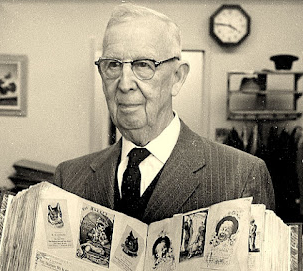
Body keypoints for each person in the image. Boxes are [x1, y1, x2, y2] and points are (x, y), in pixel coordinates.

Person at [54, 3, 275, 224]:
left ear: (177, 78)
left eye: (143, 65)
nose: (124, 84)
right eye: (113, 65)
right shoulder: (70, 178)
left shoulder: (240, 175)